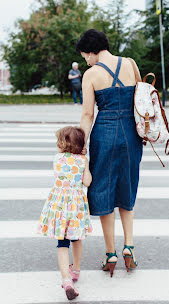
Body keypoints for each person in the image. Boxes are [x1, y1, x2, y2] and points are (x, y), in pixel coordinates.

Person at [76, 29, 143, 277]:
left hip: (104, 134)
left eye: (85, 56)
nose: (86, 60)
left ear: (92, 50)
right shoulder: (130, 64)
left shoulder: (91, 74)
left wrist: (81, 148)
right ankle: (129, 247)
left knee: (103, 189)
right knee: (127, 187)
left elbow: (87, 115)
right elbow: (140, 98)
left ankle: (111, 253)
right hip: (131, 134)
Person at [37, 126, 92, 300]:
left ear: (64, 144)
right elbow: (87, 182)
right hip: (75, 207)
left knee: (62, 244)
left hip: (59, 206)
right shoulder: (82, 160)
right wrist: (86, 162)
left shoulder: (58, 158)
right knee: (77, 240)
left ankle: (66, 280)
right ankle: (75, 271)